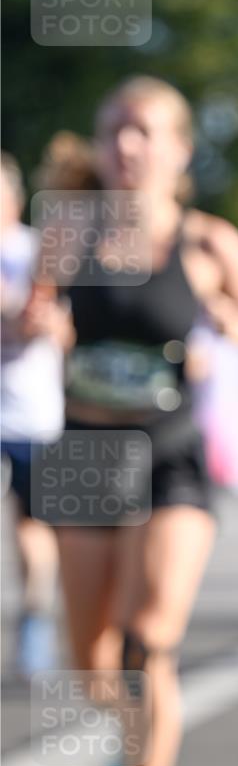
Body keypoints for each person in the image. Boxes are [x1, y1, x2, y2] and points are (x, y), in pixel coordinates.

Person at [34, 77, 238, 766]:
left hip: (167, 454)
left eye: (144, 130)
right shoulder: (66, 233)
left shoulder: (208, 242)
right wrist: (36, 327)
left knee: (149, 640)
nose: (125, 144)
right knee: (93, 663)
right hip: (84, 454)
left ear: (180, 150)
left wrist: (229, 321)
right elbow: (27, 321)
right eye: (113, 128)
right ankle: (133, 736)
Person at [1, 152, 65, 678]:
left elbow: (66, 328)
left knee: (32, 530)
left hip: (32, 416)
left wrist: (37, 323)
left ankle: (36, 616)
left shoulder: (38, 250)